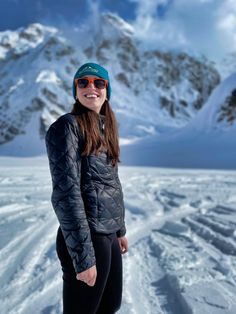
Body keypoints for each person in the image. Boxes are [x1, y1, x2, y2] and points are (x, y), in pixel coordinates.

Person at [45, 62, 128, 314]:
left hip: (108, 234)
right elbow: (66, 194)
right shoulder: (67, 126)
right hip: (88, 237)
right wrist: (83, 257)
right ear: (76, 90)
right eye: (83, 82)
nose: (91, 87)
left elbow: (110, 183)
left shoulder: (105, 129)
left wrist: (120, 229)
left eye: (98, 82)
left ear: (107, 90)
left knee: (110, 305)